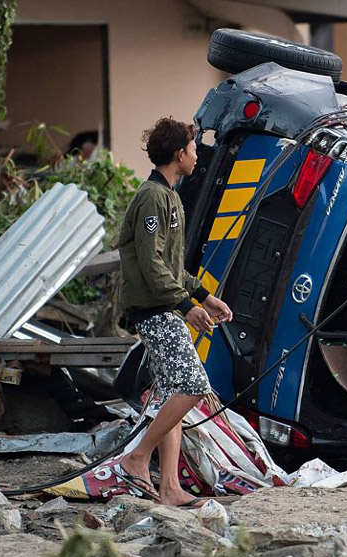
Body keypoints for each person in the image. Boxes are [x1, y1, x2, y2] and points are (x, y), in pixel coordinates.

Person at [116, 117, 233, 507]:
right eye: (194, 148)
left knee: (171, 393)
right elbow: (152, 268)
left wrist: (205, 296)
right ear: (180, 153)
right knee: (193, 385)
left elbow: (172, 266)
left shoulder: (169, 197)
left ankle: (169, 488)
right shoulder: (152, 197)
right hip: (154, 310)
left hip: (164, 305)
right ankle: (136, 458)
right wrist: (187, 308)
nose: (198, 156)